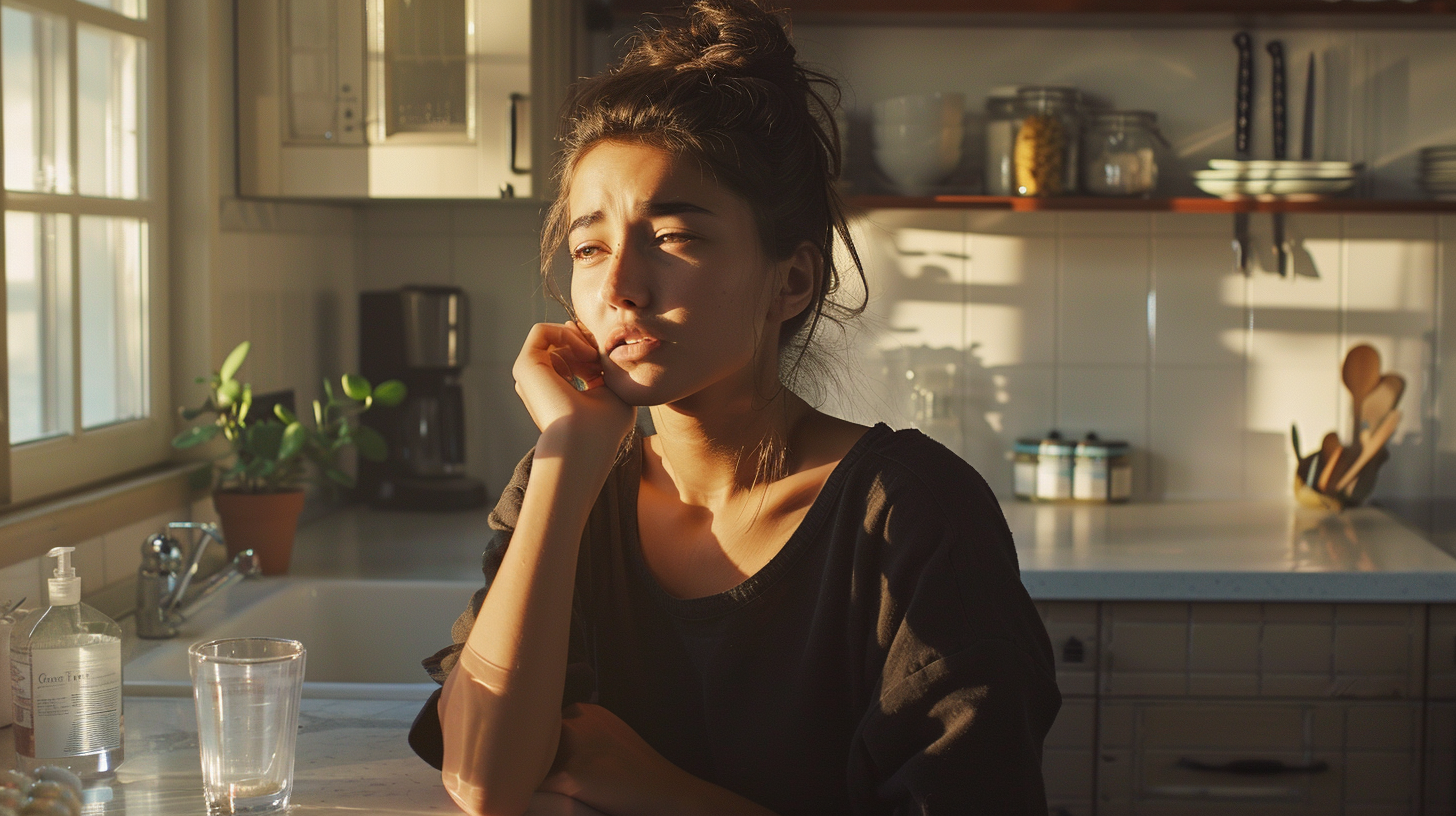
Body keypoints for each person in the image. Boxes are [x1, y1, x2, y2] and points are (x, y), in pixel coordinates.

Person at [408, 1, 1060, 813]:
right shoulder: (565, 486)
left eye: (674, 237)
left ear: (791, 281)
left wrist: (656, 791)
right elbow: (484, 781)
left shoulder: (915, 517)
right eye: (589, 247)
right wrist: (569, 458)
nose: (619, 290)